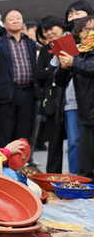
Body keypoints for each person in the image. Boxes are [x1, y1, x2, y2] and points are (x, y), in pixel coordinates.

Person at [53, 0, 94, 175]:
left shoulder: (77, 59)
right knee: (84, 164)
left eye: (92, 30)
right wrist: (64, 66)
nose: (89, 33)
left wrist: (73, 62)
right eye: (85, 30)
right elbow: (60, 81)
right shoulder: (78, 54)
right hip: (85, 115)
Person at [0, 9, 38, 149]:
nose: (15, 20)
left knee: (24, 132)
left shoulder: (30, 43)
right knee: (5, 131)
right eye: (11, 18)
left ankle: (22, 165)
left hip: (28, 92)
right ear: (5, 24)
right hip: (7, 92)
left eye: (18, 17)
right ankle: (4, 166)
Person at [35, 14, 69, 173]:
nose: (49, 33)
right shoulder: (45, 50)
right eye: (45, 30)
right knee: (54, 142)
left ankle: (78, 176)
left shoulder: (72, 43)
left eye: (51, 28)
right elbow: (39, 74)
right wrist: (52, 70)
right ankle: (53, 176)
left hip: (71, 98)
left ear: (61, 26)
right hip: (52, 100)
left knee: (75, 141)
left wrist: (51, 70)